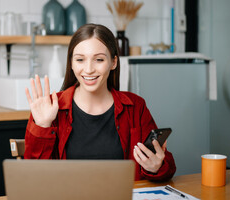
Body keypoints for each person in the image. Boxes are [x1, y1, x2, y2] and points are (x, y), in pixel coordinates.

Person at [24, 23, 176, 181]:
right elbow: (33, 178)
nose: (89, 69)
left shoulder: (135, 106)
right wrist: (42, 126)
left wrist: (156, 167)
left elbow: (167, 165)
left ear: (114, 62)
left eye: (99, 59)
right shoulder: (50, 107)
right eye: (80, 59)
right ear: (71, 63)